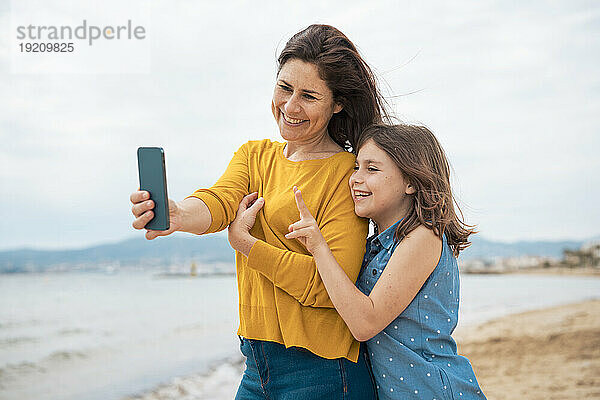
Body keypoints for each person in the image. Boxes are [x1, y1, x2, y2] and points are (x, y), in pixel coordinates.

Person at [130, 24, 389, 399]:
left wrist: (247, 245)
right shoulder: (254, 155)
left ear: (337, 103)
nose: (290, 106)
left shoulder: (347, 174)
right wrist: (180, 214)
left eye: (309, 96)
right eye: (284, 88)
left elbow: (328, 287)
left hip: (324, 372)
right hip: (255, 366)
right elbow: (219, 200)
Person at [231, 123, 487, 399]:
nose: (355, 179)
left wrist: (317, 246)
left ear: (411, 182)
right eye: (356, 167)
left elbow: (364, 323)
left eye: (372, 169)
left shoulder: (424, 237)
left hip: (431, 390)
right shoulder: (377, 246)